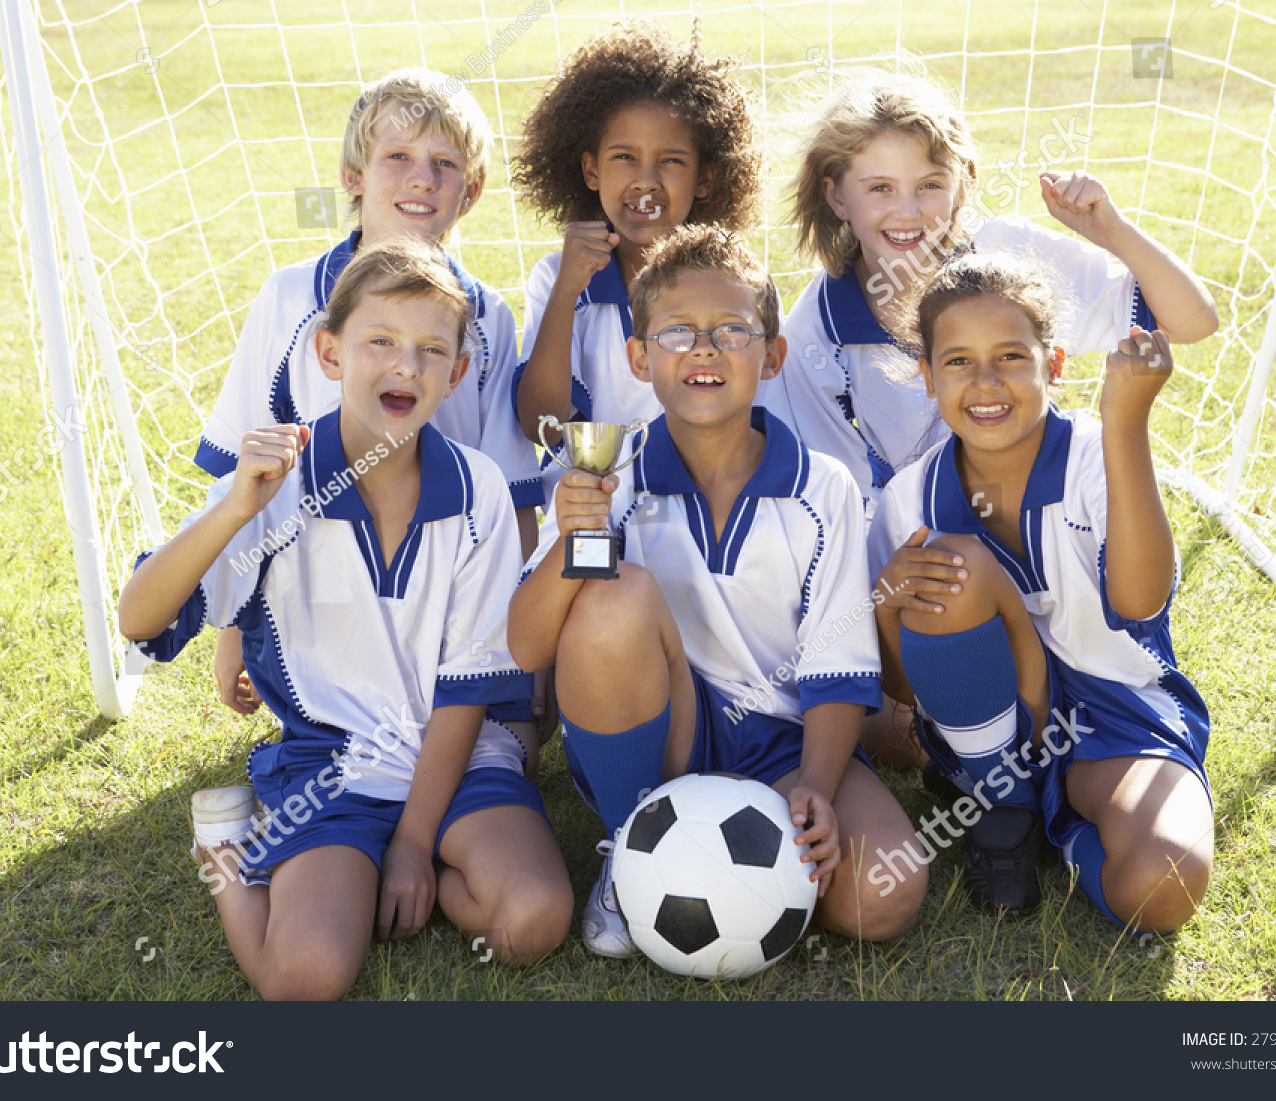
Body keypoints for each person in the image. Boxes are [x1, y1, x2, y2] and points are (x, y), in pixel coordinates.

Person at [120, 238, 572, 999]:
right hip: (333, 765)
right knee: (305, 978)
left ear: (458, 373)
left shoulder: (481, 491)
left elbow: (465, 690)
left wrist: (413, 844)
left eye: (433, 350)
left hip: (458, 757)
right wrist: (234, 506)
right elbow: (138, 618)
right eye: (381, 342)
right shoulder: (273, 482)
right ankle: (229, 856)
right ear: (329, 352)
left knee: (533, 918)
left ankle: (413, 861)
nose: (407, 366)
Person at [775, 71, 1218, 769]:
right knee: (875, 724)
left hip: (1057, 559)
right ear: (835, 194)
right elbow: (842, 526)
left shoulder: (1007, 257)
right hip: (948, 588)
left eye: (929, 183)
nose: (908, 209)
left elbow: (1193, 320)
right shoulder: (814, 337)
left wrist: (1113, 231)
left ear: (962, 183)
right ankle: (994, 770)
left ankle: (1053, 733)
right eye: (879, 188)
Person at [509, 226, 926, 958]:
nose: (704, 349)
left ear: (771, 356)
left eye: (733, 330)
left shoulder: (822, 488)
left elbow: (836, 668)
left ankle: (758, 863)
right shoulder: (610, 475)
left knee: (885, 894)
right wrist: (576, 540)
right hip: (665, 727)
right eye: (677, 332)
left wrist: (819, 788)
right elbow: (526, 645)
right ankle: (631, 843)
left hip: (786, 741)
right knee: (614, 596)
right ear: (640, 358)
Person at [195, 69, 545, 773]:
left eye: (446, 164)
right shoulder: (292, 297)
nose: (422, 179)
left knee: (492, 778)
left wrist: (508, 644)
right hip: (318, 609)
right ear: (355, 175)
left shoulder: (489, 317)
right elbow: (244, 470)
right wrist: (230, 628)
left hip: (447, 601)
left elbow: (513, 495)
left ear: (469, 192)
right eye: (398, 158)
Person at [869, 254, 1212, 929]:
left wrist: (1127, 425)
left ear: (1053, 364)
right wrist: (887, 602)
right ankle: (1007, 804)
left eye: (1010, 356)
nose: (987, 381)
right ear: (927, 374)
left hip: (1115, 713)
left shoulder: (1092, 451)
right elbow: (903, 689)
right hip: (993, 724)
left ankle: (1060, 831)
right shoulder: (908, 498)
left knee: (1165, 882)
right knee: (951, 566)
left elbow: (1141, 603)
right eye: (959, 361)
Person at [510, 19, 764, 454]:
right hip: (590, 504)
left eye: (671, 161)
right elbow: (542, 427)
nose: (646, 180)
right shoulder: (556, 278)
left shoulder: (738, 282)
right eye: (625, 157)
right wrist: (567, 290)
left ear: (704, 178)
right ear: (591, 170)